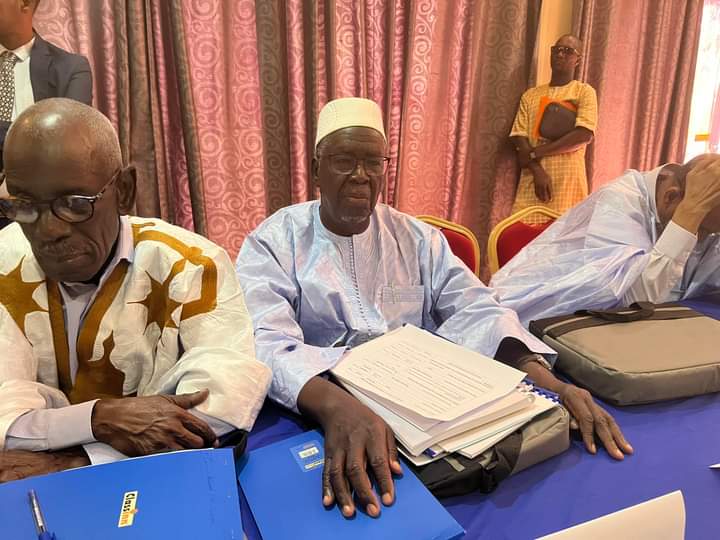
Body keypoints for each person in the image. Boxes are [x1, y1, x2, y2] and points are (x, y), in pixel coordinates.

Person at [236, 97, 632, 520]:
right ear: (316, 170)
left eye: (373, 162)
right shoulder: (275, 242)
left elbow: (477, 307)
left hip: (428, 406)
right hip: (323, 406)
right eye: (344, 161)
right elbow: (265, 340)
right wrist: (335, 406)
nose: (361, 176)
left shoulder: (416, 239)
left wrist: (550, 384)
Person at [0, 99, 271, 482]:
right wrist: (99, 419)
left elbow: (222, 404)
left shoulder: (191, 264)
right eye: (24, 205)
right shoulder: (4, 262)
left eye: (74, 204)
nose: (48, 231)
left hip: (159, 481)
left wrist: (76, 461)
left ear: (124, 190)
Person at [490, 154, 720, 325]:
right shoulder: (619, 201)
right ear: (670, 198)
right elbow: (634, 303)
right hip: (530, 326)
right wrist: (689, 215)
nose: (699, 239)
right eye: (699, 229)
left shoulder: (706, 219)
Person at [510, 34, 597, 223]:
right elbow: (519, 136)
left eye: (568, 51)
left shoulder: (584, 92)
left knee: (564, 237)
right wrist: (537, 170)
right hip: (533, 181)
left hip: (568, 183)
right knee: (520, 235)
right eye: (556, 50)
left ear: (578, 60)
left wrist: (535, 153)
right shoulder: (530, 95)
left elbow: (583, 135)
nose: (560, 54)